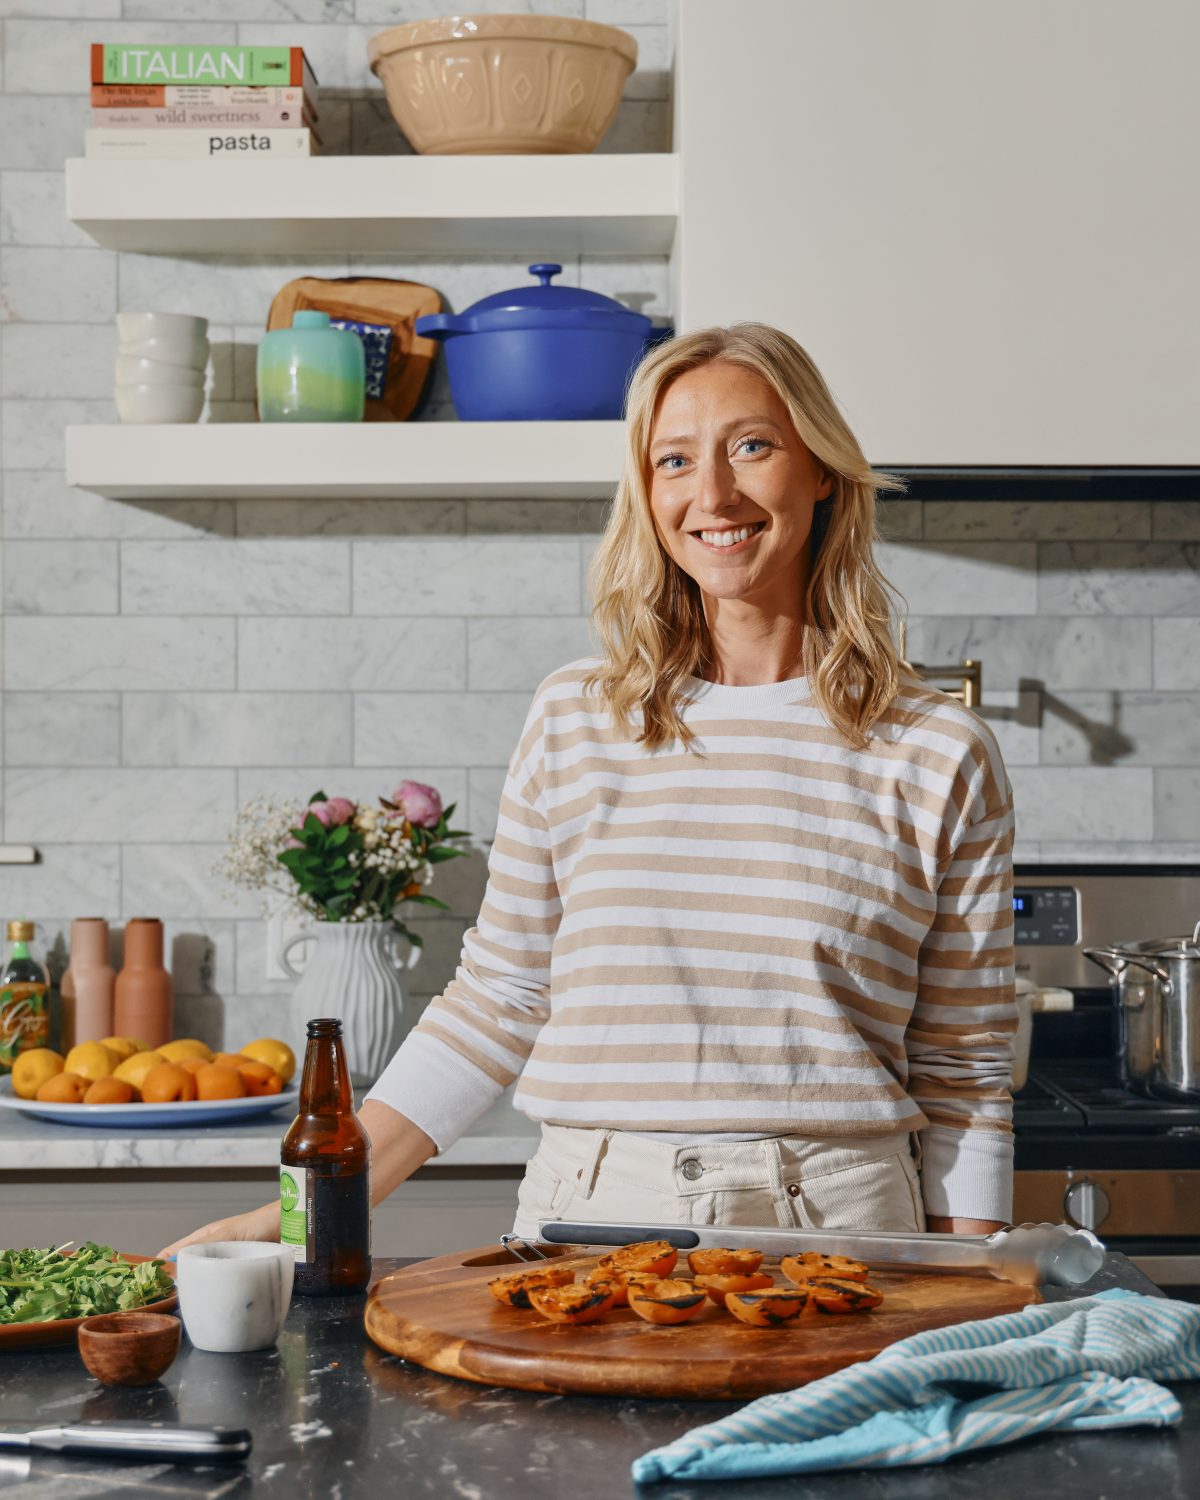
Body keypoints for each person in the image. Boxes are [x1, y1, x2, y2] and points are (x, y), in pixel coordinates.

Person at [164, 323, 1016, 1257]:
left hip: (843, 1231)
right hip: (592, 1215)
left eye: (752, 446)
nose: (713, 494)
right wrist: (297, 1217)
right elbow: (496, 1001)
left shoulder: (936, 750)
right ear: (646, 495)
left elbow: (962, 1069)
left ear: (821, 470)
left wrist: (974, 1287)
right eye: (674, 460)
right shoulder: (577, 717)